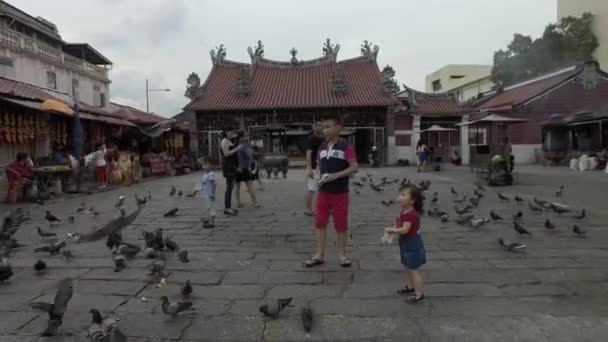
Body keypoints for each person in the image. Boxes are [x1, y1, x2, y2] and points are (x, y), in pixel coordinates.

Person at [304, 115, 358, 268]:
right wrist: (319, 174)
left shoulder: (345, 146)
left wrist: (336, 175)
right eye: (323, 127)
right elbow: (320, 166)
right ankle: (319, 254)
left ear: (338, 127)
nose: (324, 129)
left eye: (328, 126)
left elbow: (354, 167)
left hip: (340, 192)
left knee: (341, 224)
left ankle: (342, 255)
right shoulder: (321, 147)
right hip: (323, 192)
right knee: (320, 222)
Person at [385, 184, 426, 304]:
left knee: (414, 269)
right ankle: (410, 286)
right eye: (399, 194)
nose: (399, 197)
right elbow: (401, 226)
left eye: (403, 195)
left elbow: (405, 230)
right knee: (408, 267)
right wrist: (394, 227)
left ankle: (419, 294)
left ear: (412, 201)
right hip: (407, 244)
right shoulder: (405, 211)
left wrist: (392, 230)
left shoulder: (409, 214)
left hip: (412, 245)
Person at [220, 128, 243, 216]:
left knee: (231, 187)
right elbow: (226, 154)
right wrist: (237, 149)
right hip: (228, 166)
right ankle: (227, 208)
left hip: (232, 166)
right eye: (231, 131)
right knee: (229, 187)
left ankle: (228, 207)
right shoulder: (224, 141)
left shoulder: (229, 140)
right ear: (226, 131)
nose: (233, 133)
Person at [235, 132, 260, 208]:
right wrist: (253, 160)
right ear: (241, 138)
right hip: (243, 169)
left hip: (239, 168)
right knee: (249, 186)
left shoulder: (239, 146)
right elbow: (250, 156)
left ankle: (238, 203)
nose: (247, 137)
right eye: (246, 136)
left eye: (248, 135)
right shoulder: (243, 146)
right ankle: (254, 202)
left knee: (238, 186)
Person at [304, 123, 324, 216]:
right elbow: (308, 154)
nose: (320, 127)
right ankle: (308, 209)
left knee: (323, 188)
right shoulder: (311, 139)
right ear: (314, 128)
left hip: (322, 167)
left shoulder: (324, 138)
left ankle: (323, 208)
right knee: (312, 189)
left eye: (321, 126)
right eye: (318, 126)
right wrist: (310, 169)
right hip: (313, 167)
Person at [201, 161, 217, 228]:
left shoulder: (211, 174)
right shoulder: (205, 174)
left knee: (212, 208)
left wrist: (213, 193)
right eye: (204, 164)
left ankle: (212, 221)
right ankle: (209, 219)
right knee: (209, 207)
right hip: (206, 194)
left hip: (210, 194)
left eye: (207, 164)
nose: (205, 166)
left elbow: (214, 184)